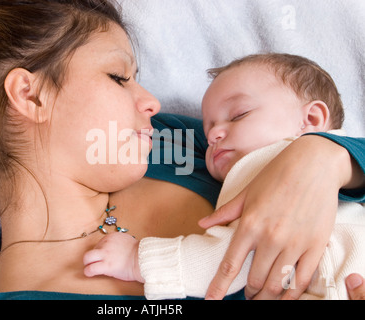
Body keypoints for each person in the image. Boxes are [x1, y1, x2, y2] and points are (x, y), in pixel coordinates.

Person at [0, 0, 363, 300]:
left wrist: (324, 157)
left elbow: (298, 133)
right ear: (31, 96)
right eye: (119, 77)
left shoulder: (173, 143)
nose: (151, 101)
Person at [83, 54, 365, 300]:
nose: (214, 135)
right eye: (209, 130)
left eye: (238, 115)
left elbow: (232, 257)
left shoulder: (267, 160)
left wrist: (138, 261)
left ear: (312, 120)